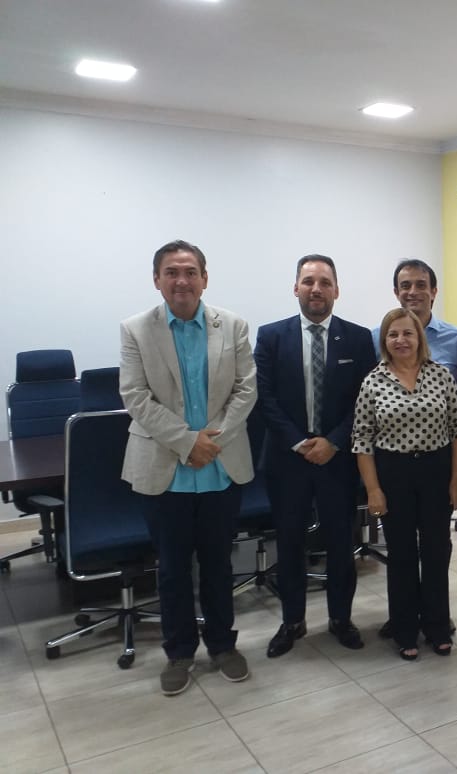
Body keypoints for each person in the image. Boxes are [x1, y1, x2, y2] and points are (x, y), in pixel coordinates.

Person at [119, 239, 256, 696]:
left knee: (218, 564)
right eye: (172, 272)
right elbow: (135, 396)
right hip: (165, 469)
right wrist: (186, 442)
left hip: (220, 463)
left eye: (190, 272)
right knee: (173, 569)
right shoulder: (136, 330)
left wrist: (209, 443)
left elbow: (246, 390)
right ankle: (179, 652)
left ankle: (223, 645)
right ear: (157, 280)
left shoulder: (232, 325)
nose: (182, 280)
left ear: (204, 278)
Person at [254, 254, 376, 658]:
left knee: (341, 544)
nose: (316, 289)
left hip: (337, 460)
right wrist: (298, 442)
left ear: (336, 290)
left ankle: (341, 619)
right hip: (287, 460)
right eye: (308, 281)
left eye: (325, 282)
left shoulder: (358, 338)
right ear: (296, 288)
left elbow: (365, 400)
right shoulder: (271, 336)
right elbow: (264, 398)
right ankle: (292, 621)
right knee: (290, 544)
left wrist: (333, 441)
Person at [352, 308, 457, 660]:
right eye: (393, 334)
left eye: (408, 333)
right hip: (394, 472)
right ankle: (404, 630)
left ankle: (437, 626)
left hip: (436, 470)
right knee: (401, 554)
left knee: (436, 551)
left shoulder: (440, 375)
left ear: (420, 338)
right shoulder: (373, 381)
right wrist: (373, 490)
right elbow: (361, 440)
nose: (401, 340)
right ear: (384, 341)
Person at [371, 258, 457, 640]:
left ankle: (434, 617)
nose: (412, 291)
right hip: (392, 464)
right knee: (400, 548)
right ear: (396, 291)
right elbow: (366, 412)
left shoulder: (456, 340)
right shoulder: (375, 338)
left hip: (438, 461)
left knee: (436, 546)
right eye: (405, 285)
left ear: (434, 290)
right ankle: (404, 618)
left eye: (420, 284)